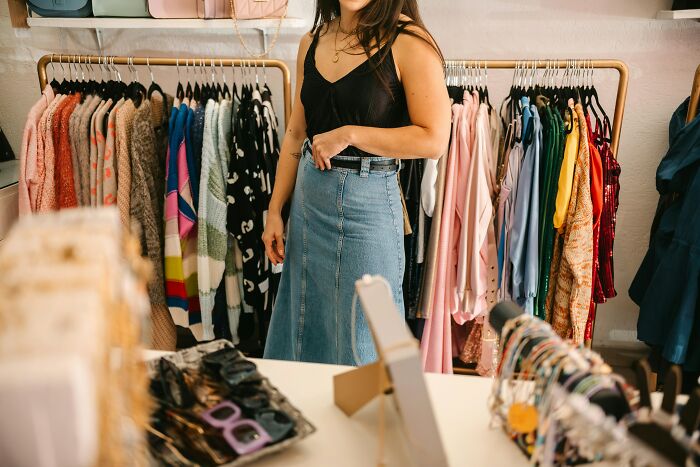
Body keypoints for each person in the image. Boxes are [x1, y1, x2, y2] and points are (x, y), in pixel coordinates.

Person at [262, 0, 451, 365]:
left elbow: (434, 139)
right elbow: (295, 133)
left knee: (372, 336)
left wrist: (350, 134)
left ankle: (390, 419)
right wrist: (274, 210)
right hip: (308, 203)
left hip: (370, 206)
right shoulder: (311, 41)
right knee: (303, 328)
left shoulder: (409, 41)